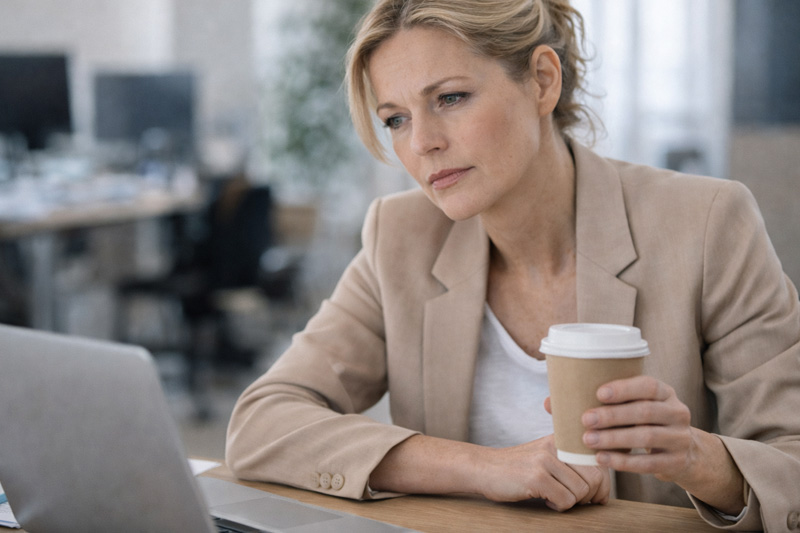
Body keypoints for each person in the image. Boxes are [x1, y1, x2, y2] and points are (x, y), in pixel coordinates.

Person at [226, 1, 800, 530]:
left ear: (542, 80)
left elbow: (793, 462)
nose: (422, 142)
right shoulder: (402, 236)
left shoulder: (705, 224)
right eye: (395, 119)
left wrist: (699, 459)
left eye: (449, 98)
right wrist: (480, 467)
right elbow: (261, 424)